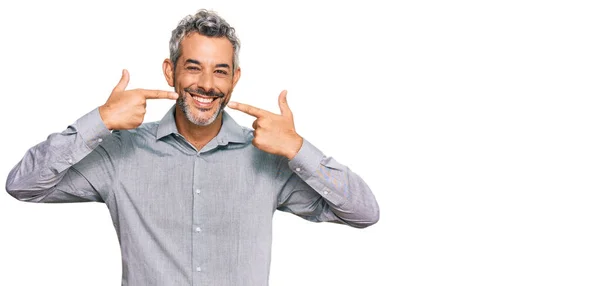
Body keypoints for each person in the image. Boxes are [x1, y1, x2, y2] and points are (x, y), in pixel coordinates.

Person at [5, 9, 379, 286]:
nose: (207, 84)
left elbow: (363, 212)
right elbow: (23, 185)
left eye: (220, 70)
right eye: (193, 67)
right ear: (170, 72)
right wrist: (98, 120)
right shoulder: (119, 152)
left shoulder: (270, 158)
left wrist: (298, 148)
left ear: (234, 78)